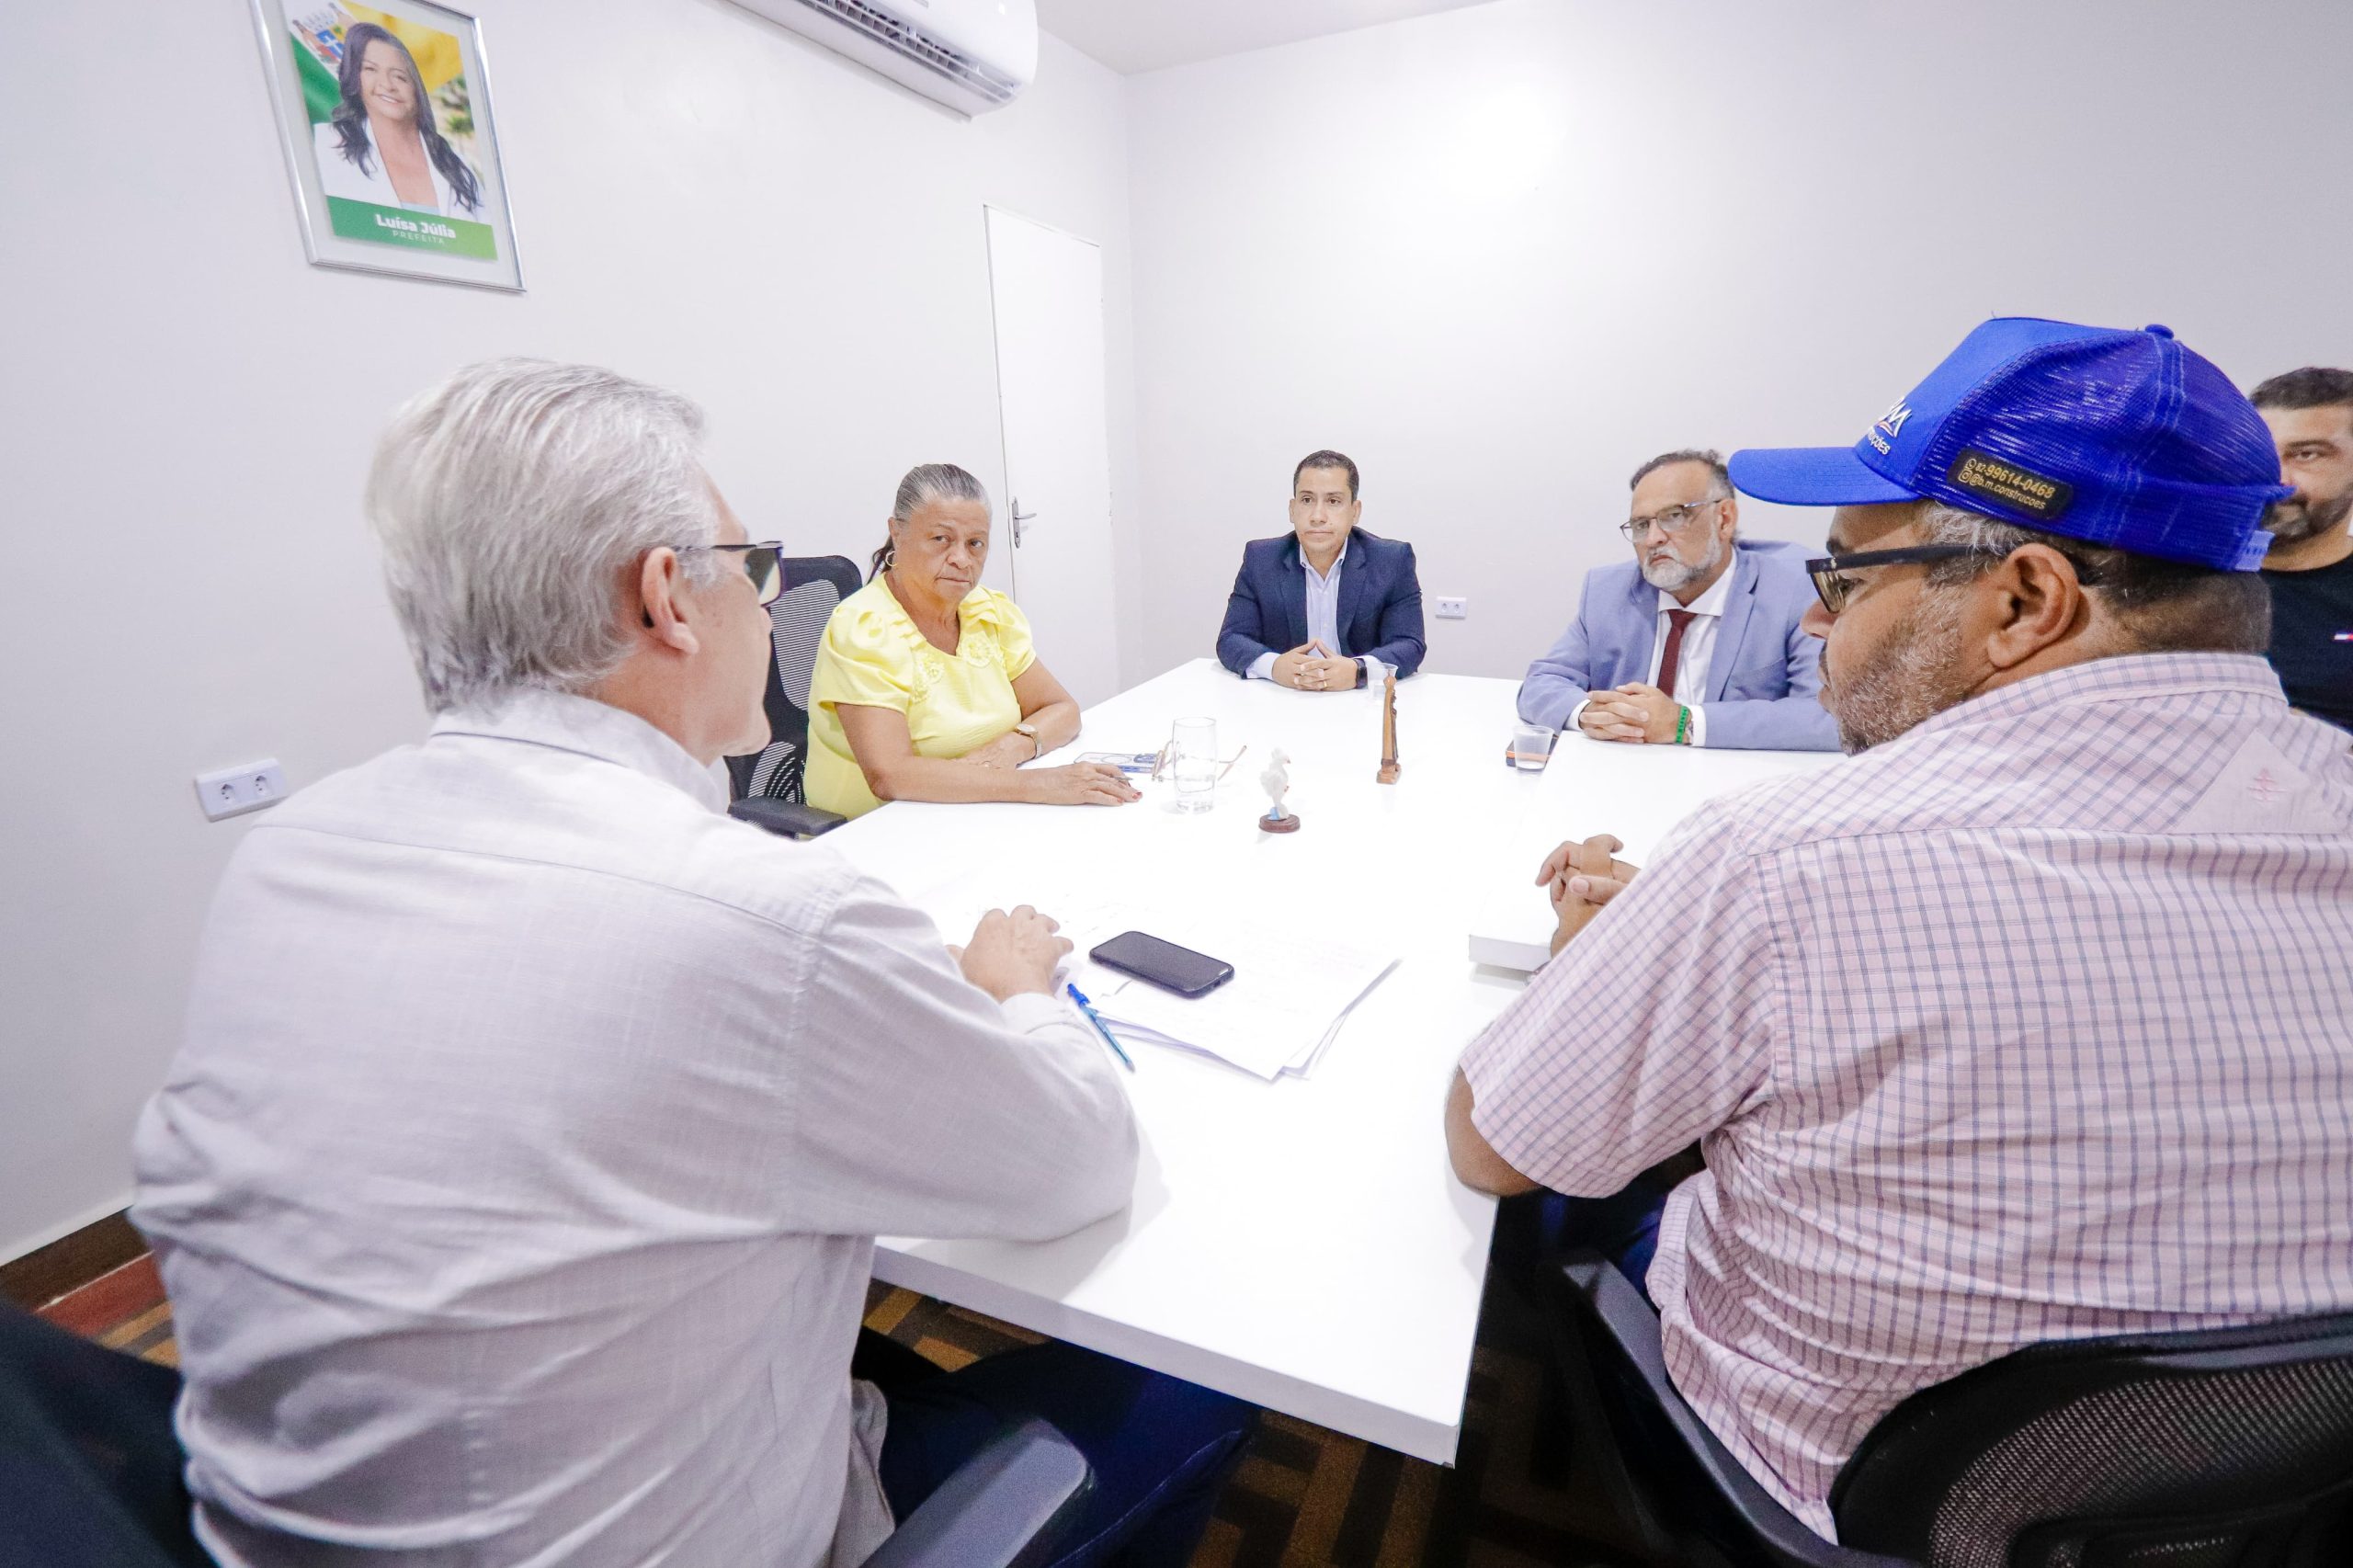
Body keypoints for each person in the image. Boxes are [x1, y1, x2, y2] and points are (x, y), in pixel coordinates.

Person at [131, 361, 1252, 1568]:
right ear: (668, 596)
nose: (770, 615)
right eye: (753, 571)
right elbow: (1078, 1159)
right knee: (1203, 1379)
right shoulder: (766, 919)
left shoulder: (289, 853)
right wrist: (1021, 987)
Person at [1445, 318, 2353, 1541]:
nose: (1817, 625)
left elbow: (1495, 1144)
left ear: (2024, 599)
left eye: (1847, 581)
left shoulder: (1778, 861)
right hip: (2260, 1509)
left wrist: (1606, 955)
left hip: (1813, 1500)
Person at [804, 464, 1140, 820]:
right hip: (876, 829)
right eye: (941, 539)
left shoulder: (987, 611)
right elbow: (890, 775)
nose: (962, 560)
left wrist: (1014, 745)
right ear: (897, 533)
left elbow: (1063, 710)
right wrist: (1040, 785)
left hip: (973, 813)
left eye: (975, 543)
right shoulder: (864, 628)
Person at [1518, 449, 1837, 749]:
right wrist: (1589, 713)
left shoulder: (1795, 587)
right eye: (1641, 525)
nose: (1653, 538)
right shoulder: (1608, 591)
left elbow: (1829, 716)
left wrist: (1685, 723)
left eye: (1674, 516)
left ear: (1724, 519)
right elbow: (1542, 683)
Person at [1216, 449, 1426, 688]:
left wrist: (1359, 670)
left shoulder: (1391, 561)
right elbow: (1231, 639)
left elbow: (1409, 643)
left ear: (1355, 511)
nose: (1317, 516)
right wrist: (1274, 667)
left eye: (1333, 501)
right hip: (1284, 696)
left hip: (1360, 699)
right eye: (1307, 500)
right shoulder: (1261, 559)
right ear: (1292, 509)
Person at [2249, 367, 2353, 733]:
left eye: (2306, 454)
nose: (2276, 480)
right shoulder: (2175, 576)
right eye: (2260, 454)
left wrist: (2306, 738)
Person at [311, 23, 485, 218]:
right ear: (354, 77)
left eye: (400, 77)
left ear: (417, 89)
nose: (387, 85)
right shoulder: (324, 144)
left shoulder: (458, 168)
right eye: (370, 69)